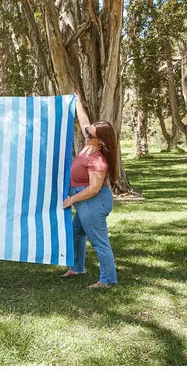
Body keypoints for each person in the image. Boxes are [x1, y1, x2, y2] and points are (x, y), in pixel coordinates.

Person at [61, 93, 118, 288]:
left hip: (93, 202)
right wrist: (77, 102)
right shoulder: (89, 145)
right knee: (77, 234)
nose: (87, 134)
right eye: (88, 132)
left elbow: (94, 189)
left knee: (99, 242)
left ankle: (107, 279)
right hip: (84, 202)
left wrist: (70, 200)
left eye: (90, 134)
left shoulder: (98, 160)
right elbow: (85, 121)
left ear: (100, 141)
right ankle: (77, 267)